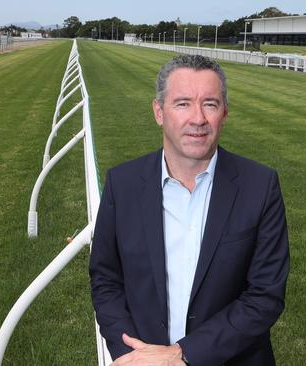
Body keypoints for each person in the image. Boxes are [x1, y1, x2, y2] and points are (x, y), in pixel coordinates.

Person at [89, 54, 290, 366]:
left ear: (225, 112)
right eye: (183, 103)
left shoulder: (259, 186)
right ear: (159, 112)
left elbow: (264, 296)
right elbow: (106, 278)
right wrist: (133, 354)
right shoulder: (123, 183)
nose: (198, 118)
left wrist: (181, 356)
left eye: (209, 103)